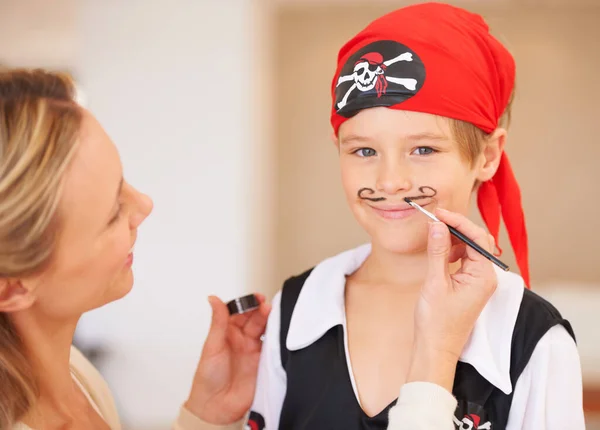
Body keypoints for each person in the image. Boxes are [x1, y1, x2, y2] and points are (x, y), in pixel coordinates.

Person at [245, 3, 585, 429]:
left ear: (488, 155)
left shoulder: (532, 336)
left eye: (423, 149)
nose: (390, 182)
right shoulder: (295, 309)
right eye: (363, 150)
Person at [0, 68, 271, 430]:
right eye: (113, 214)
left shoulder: (76, 376)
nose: (143, 205)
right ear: (13, 287)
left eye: (122, 181)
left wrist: (206, 414)